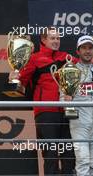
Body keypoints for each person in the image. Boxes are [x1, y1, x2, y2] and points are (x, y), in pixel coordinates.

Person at [8, 27, 76, 175]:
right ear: (43, 40)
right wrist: (14, 79)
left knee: (68, 154)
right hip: (46, 112)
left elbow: (83, 70)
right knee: (50, 155)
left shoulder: (66, 57)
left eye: (58, 38)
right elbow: (21, 85)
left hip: (67, 112)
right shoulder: (34, 59)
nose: (56, 41)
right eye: (52, 38)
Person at [60, 35, 93, 176]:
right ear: (78, 51)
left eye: (90, 48)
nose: (87, 51)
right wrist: (66, 101)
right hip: (79, 120)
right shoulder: (69, 70)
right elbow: (62, 98)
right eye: (84, 48)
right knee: (83, 161)